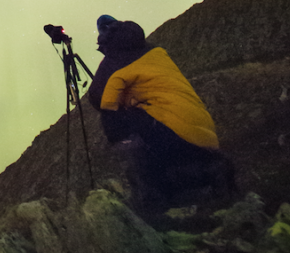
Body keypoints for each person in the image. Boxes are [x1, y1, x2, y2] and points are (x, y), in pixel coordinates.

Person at [87, 15, 231, 209]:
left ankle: (153, 196)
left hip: (169, 129)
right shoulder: (153, 49)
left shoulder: (115, 59)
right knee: (161, 141)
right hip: (203, 131)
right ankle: (210, 174)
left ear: (104, 36)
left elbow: (97, 98)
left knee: (112, 118)